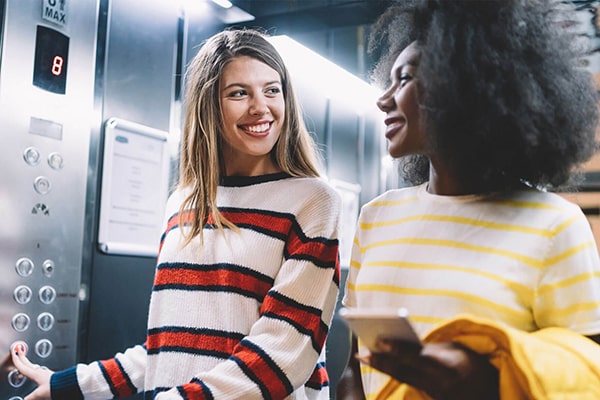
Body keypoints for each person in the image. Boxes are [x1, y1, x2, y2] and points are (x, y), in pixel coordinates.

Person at [10, 28, 342, 399]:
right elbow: (170, 344)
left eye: (272, 89)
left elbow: (282, 352)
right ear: (209, 106)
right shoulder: (184, 204)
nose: (260, 107)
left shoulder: (313, 202)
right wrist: (67, 385)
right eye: (239, 93)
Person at [337, 0, 600, 399]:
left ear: (461, 83)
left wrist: (487, 384)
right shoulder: (376, 218)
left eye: (404, 79)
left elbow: (586, 377)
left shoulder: (555, 224)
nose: (383, 98)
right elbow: (358, 365)